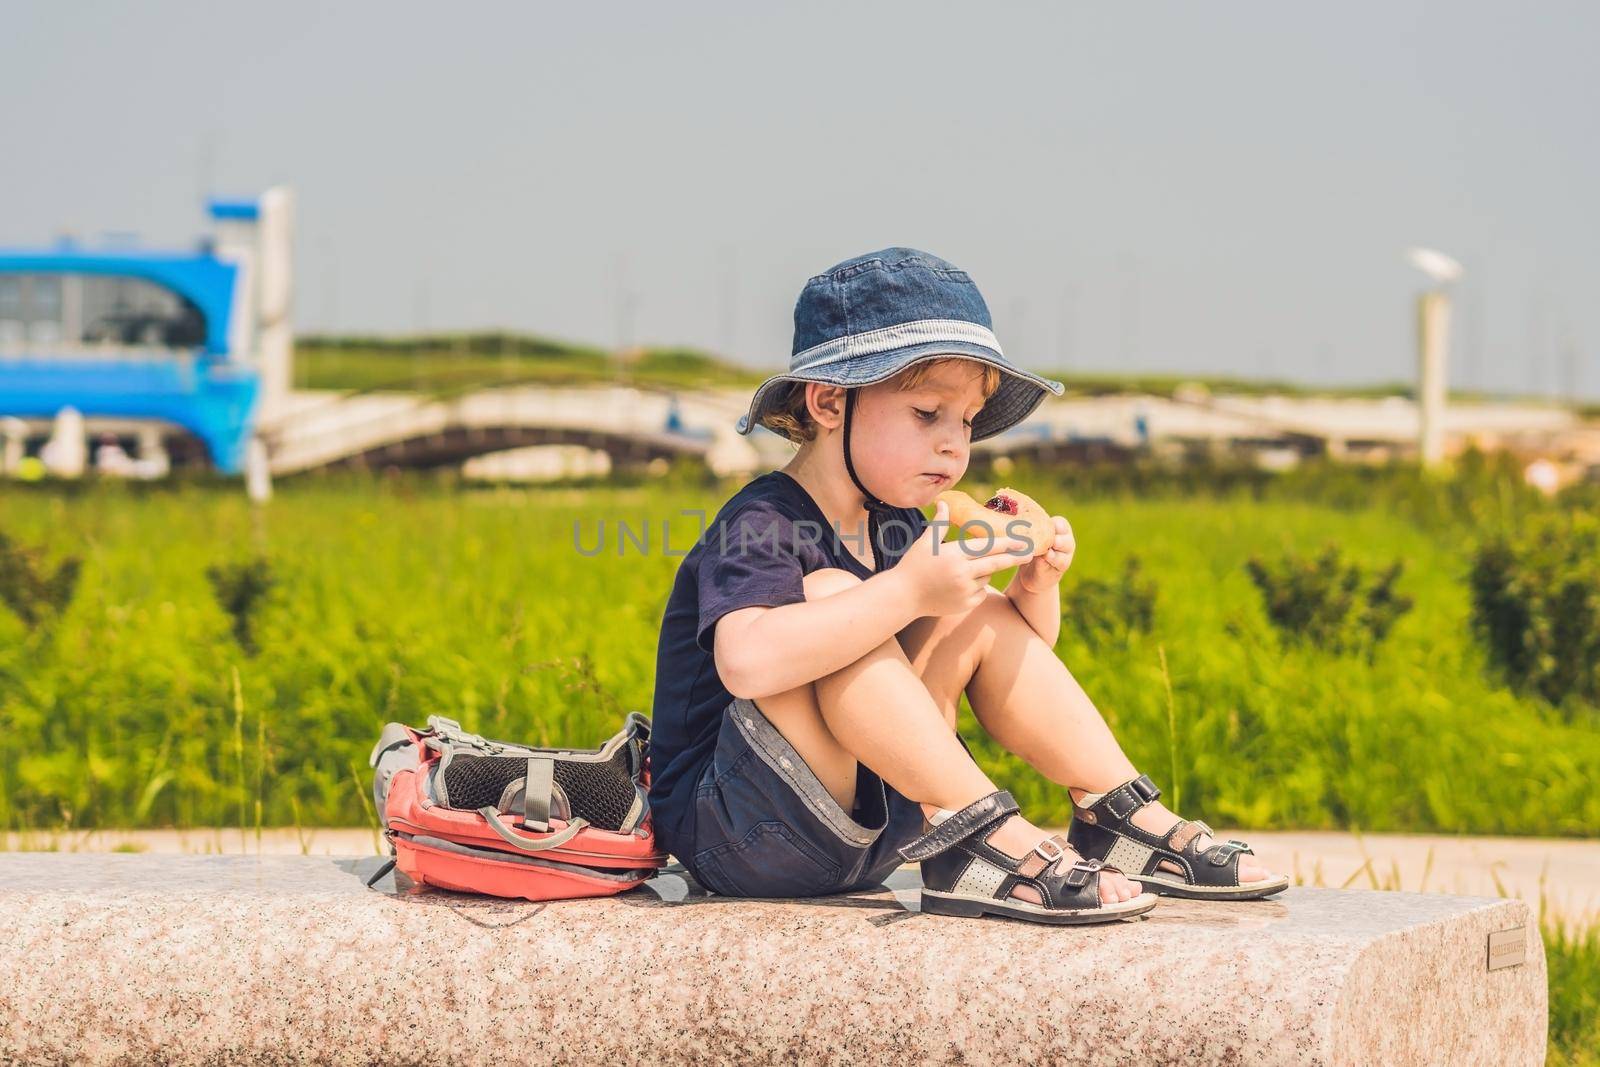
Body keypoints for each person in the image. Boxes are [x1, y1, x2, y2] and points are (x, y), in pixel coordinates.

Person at [648, 248, 1286, 924]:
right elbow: (747, 661)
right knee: (837, 593)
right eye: (927, 413)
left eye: (968, 422)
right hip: (743, 830)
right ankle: (987, 835)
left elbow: (1008, 662)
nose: (955, 445)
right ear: (830, 401)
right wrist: (906, 593)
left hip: (881, 824)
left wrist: (1033, 588)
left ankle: (1116, 812)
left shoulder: (899, 524)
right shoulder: (761, 521)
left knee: (974, 610)